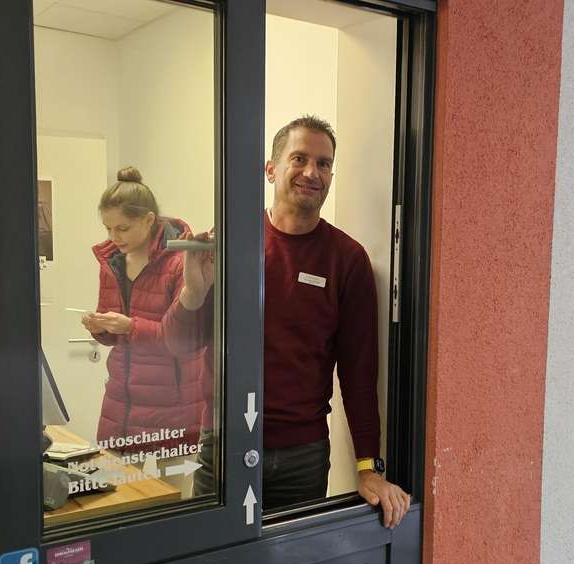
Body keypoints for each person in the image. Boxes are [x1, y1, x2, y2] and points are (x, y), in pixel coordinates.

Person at [163, 116, 411, 528]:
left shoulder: (347, 260)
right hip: (225, 446)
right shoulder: (230, 245)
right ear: (271, 168)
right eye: (300, 159)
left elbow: (359, 377)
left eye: (324, 163)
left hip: (303, 458)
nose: (313, 172)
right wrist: (194, 292)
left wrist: (369, 468)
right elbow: (179, 344)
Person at [83, 167, 204, 469]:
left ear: (148, 220)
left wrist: (129, 325)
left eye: (122, 229)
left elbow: (182, 339)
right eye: (108, 228)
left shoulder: (179, 263)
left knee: (173, 499)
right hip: (122, 401)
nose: (113, 237)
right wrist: (100, 328)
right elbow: (116, 336)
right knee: (120, 496)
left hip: (174, 402)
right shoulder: (111, 262)